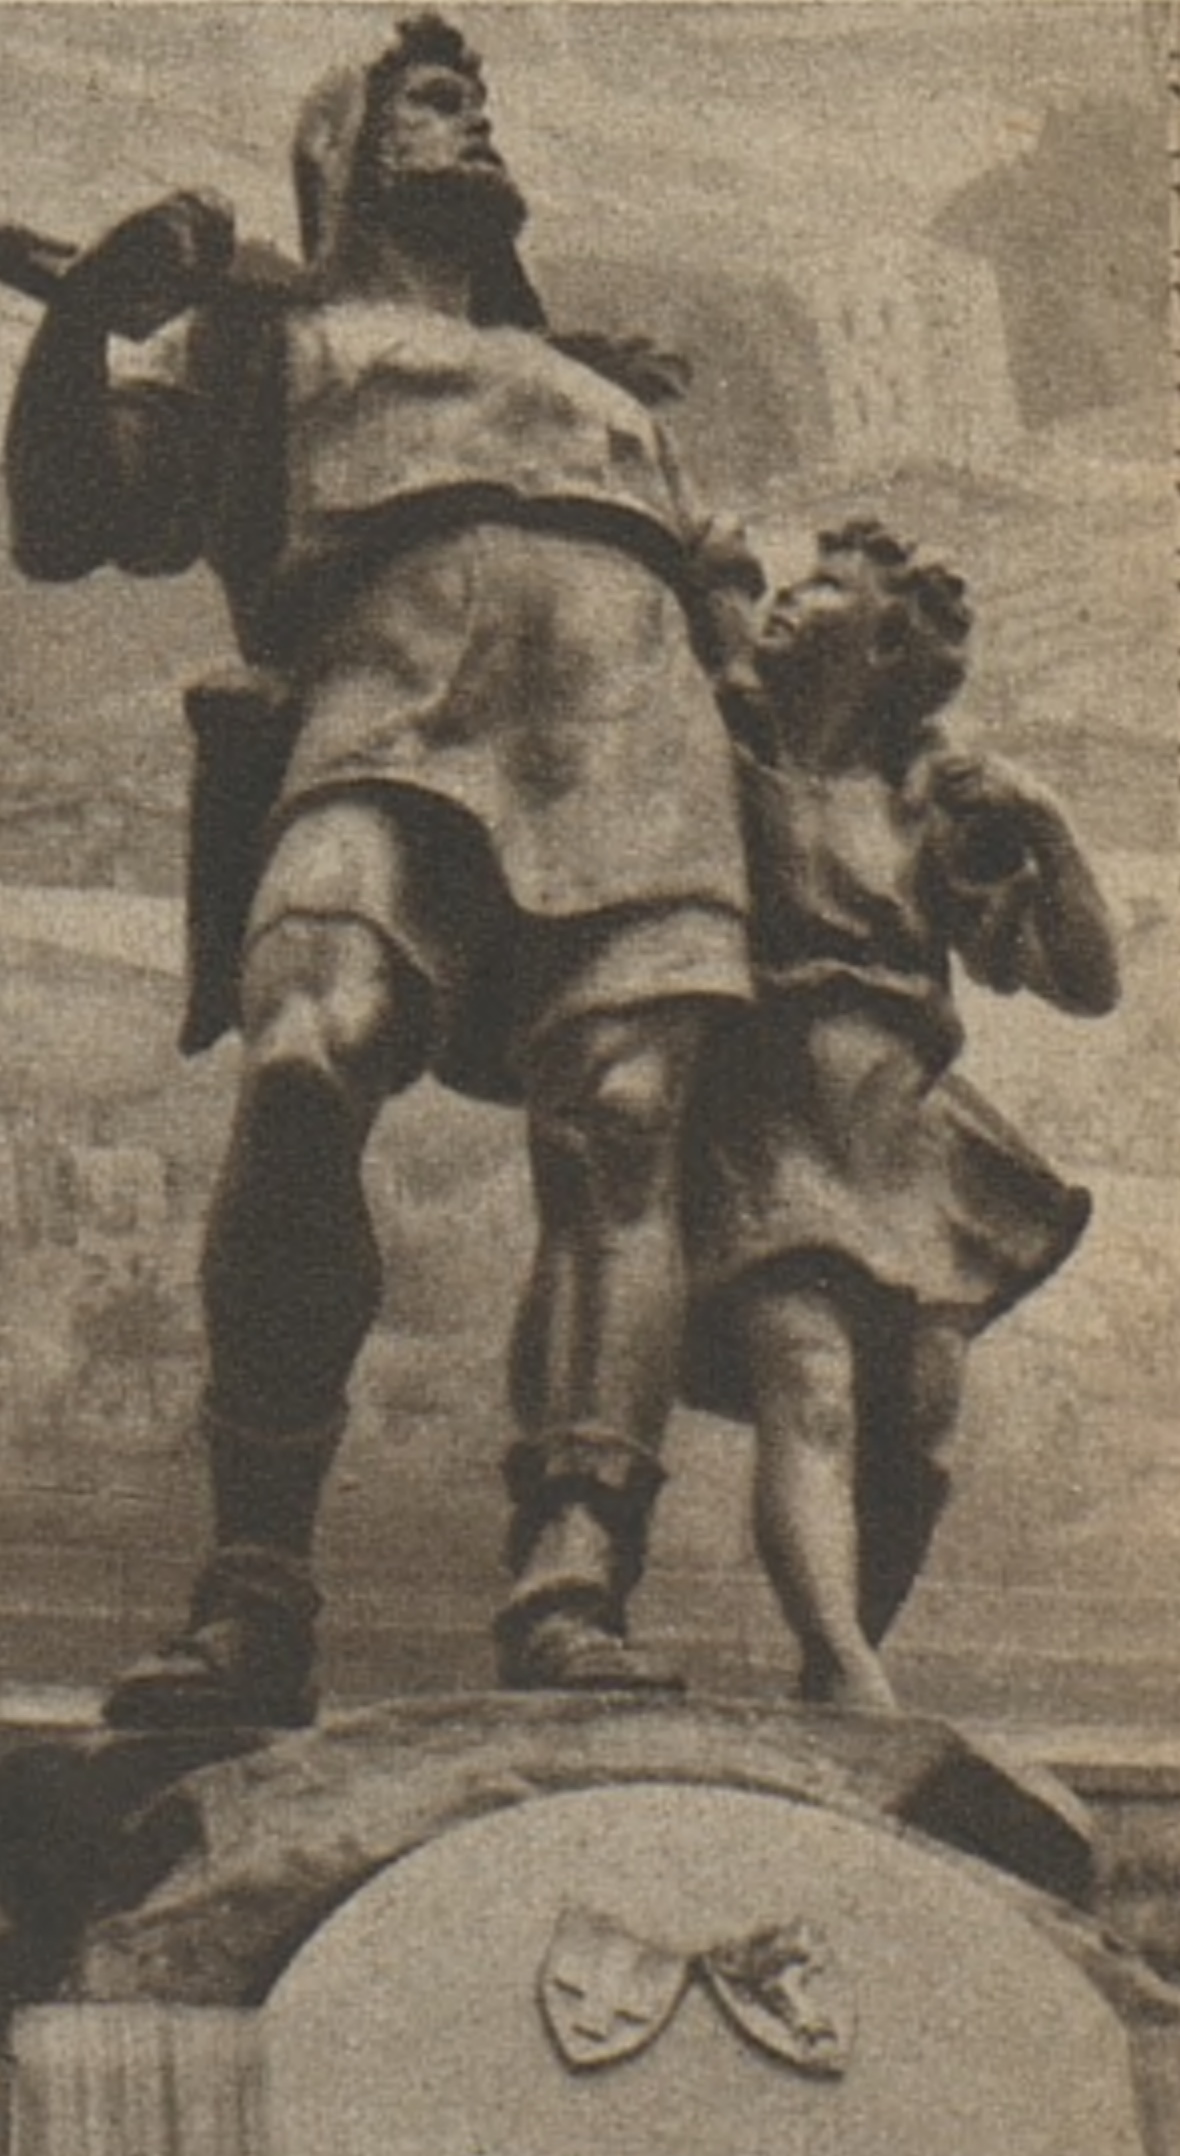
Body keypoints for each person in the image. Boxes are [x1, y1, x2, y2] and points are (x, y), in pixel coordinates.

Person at [5, 17, 756, 1722]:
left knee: (622, 1137)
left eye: (479, 99)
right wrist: (85, 310)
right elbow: (64, 519)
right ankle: (255, 1589)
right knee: (301, 1057)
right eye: (431, 99)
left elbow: (737, 633)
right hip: (388, 720)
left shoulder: (609, 395)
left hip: (643, 755)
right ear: (338, 150)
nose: (471, 117)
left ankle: (575, 1570)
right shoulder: (274, 333)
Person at [681, 520, 1120, 1711]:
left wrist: (1044, 824)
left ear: (883, 639)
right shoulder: (718, 747)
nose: (789, 598)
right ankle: (846, 1665)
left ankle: (834, 1689)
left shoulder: (930, 804)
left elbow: (1086, 981)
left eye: (822, 588)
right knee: (809, 1383)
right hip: (762, 1109)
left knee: (914, 1443)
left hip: (900, 1130)